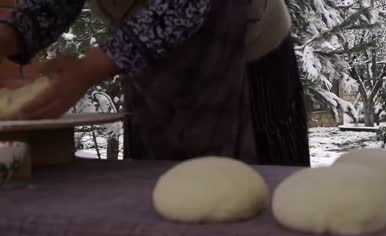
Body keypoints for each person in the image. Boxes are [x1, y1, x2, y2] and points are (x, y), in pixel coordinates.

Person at [0, 0, 310, 166]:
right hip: (151, 64)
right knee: (160, 196)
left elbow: (185, 6)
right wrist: (12, 33)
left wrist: (90, 68)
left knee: (260, 201)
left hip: (244, 59)